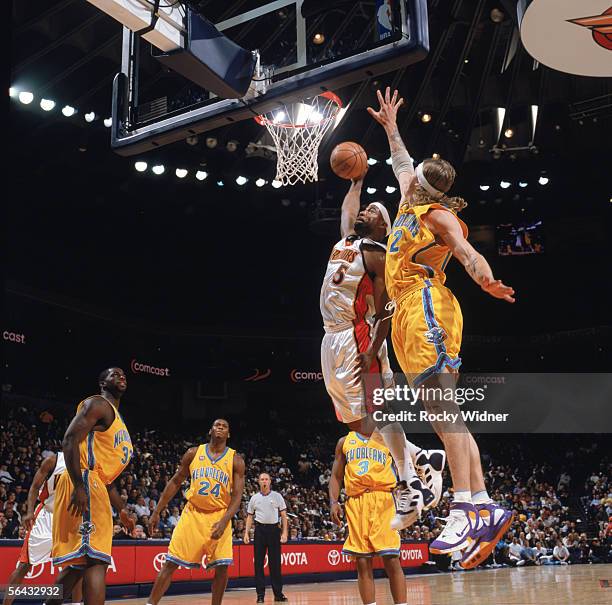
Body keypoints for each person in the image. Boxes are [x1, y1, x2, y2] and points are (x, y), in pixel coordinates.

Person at [369, 87, 514, 568]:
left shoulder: (436, 214)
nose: (408, 186)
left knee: (443, 408)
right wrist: (391, 126)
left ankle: (464, 506)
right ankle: (484, 502)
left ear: (430, 194)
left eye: (416, 187)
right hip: (407, 314)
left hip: (428, 304)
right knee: (442, 412)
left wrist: (485, 277)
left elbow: (466, 251)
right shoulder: (412, 195)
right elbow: (400, 160)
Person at [319, 172, 446, 529]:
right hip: (332, 339)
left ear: (382, 228)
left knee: (378, 409)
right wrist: (356, 185)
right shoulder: (348, 242)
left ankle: (406, 486)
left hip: (360, 337)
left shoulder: (377, 254)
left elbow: (386, 306)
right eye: (366, 210)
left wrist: (373, 347)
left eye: (373, 212)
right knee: (356, 422)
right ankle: (423, 455)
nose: (366, 214)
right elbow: (348, 214)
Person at [45, 367, 134, 605]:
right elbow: (69, 439)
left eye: (124, 374)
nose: (121, 377)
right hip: (84, 479)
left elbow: (109, 479)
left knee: (79, 564)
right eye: (115, 374)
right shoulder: (98, 404)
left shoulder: (117, 420)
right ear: (102, 383)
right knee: (96, 562)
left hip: (96, 484)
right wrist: (79, 486)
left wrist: (122, 509)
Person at [146, 419, 245, 605]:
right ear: (210, 430)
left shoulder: (236, 460)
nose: (220, 428)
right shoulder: (193, 453)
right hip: (193, 513)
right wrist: (157, 511)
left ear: (228, 434)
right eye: (217, 425)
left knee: (222, 567)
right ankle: (150, 603)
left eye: (224, 426)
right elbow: (175, 482)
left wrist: (224, 521)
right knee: (170, 563)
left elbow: (237, 497)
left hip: (219, 515)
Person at [329, 430, 407, 605]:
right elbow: (336, 475)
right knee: (362, 561)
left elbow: (405, 467)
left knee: (392, 558)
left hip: (383, 499)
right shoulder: (344, 441)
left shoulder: (388, 436)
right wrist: (334, 501)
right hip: (356, 502)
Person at [2, 452, 82, 605]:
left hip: (70, 520)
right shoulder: (53, 460)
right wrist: (30, 511)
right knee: (24, 565)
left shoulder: (88, 463)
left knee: (77, 566)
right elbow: (34, 487)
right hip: (47, 517)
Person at [244, 473, 288, 603]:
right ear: (258, 482)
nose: (264, 481)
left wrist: (284, 533)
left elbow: (284, 516)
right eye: (262, 479)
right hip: (260, 531)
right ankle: (260, 595)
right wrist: (246, 533)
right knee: (258, 564)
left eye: (266, 479)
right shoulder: (254, 498)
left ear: (270, 481)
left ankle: (278, 594)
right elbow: (249, 517)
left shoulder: (277, 496)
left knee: (275, 564)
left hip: (274, 530)